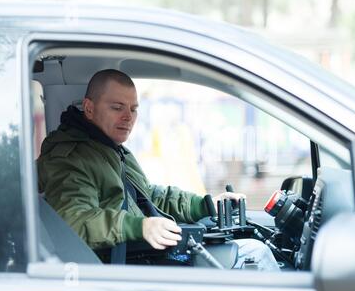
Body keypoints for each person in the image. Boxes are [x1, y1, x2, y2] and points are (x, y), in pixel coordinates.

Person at [37, 69, 279, 271]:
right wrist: (139, 227)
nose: (128, 117)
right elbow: (74, 221)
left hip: (145, 255)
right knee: (255, 255)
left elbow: (149, 196)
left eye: (133, 109)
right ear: (89, 109)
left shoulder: (110, 148)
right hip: (121, 266)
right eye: (117, 107)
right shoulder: (70, 158)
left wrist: (205, 205)